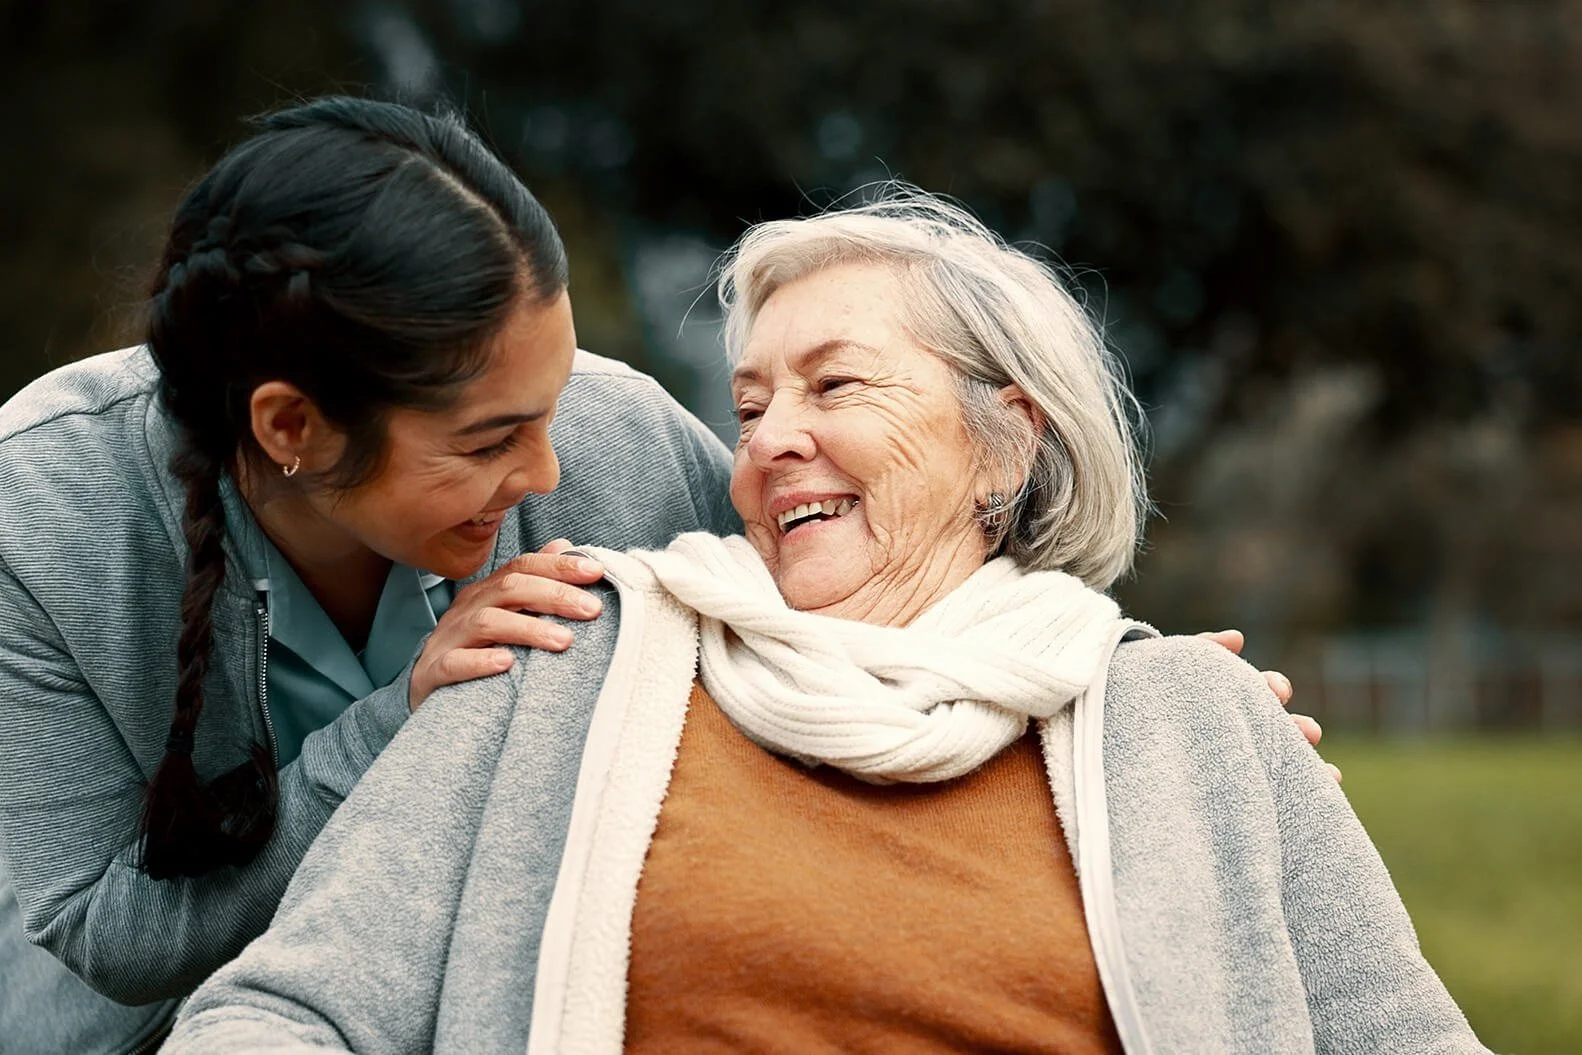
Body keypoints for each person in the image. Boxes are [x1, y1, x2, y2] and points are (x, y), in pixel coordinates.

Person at [163, 190, 1483, 1054]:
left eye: (835, 382)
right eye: (746, 405)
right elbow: (286, 1012)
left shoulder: (1186, 720)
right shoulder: (574, 656)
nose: (772, 439)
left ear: (1002, 443)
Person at [0, 97, 739, 1054]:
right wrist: (405, 716)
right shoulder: (40, 510)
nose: (547, 474)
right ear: (290, 427)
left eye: (551, 407)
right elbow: (110, 935)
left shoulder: (623, 439)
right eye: (488, 442)